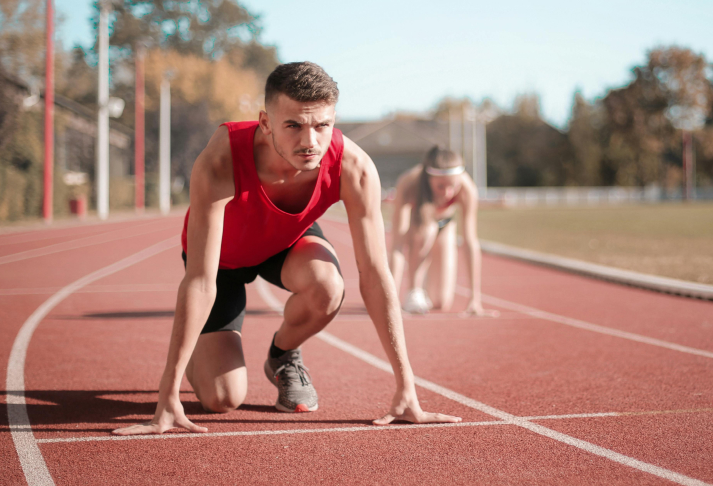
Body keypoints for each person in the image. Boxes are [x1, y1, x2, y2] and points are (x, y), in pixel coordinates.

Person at [114, 62, 460, 436]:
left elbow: (375, 275)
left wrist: (406, 388)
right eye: (293, 125)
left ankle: (282, 356)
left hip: (285, 243)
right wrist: (167, 395)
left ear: (333, 120)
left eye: (321, 125)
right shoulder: (221, 159)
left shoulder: (354, 167)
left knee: (329, 286)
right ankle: (202, 356)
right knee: (221, 399)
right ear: (265, 122)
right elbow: (199, 280)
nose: (309, 141)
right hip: (222, 261)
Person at [389, 146, 495, 316]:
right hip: (418, 227)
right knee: (427, 231)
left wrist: (475, 299)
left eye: (453, 186)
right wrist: (390, 298)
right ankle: (414, 291)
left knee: (441, 302)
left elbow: (470, 242)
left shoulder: (467, 189)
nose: (448, 193)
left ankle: (426, 288)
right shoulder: (409, 183)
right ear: (428, 179)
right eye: (440, 186)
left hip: (446, 225)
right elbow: (397, 245)